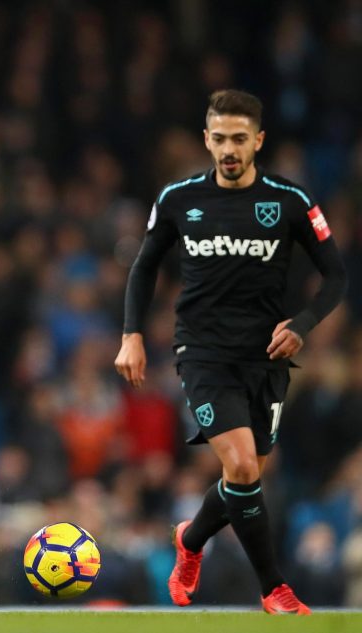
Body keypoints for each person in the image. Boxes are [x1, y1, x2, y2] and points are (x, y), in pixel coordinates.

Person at [114, 89, 347, 615]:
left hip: (267, 356)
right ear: (206, 139)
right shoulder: (178, 198)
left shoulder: (290, 201)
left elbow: (336, 275)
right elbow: (144, 266)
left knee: (246, 477)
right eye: (219, 138)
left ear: (258, 141)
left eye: (239, 139)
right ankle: (274, 587)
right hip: (203, 353)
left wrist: (304, 323)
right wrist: (131, 334)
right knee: (241, 466)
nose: (228, 149)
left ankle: (190, 540)